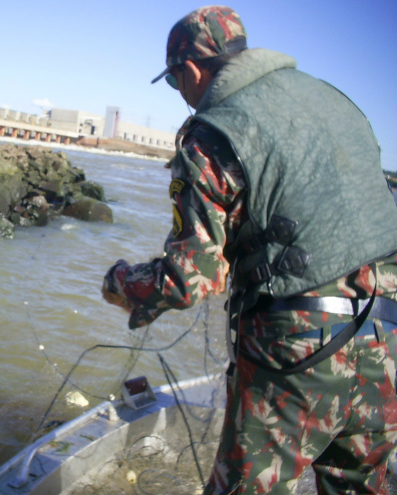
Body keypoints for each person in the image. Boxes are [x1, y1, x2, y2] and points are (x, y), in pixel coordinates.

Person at [101, 5, 397, 494]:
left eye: (176, 84)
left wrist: (123, 285)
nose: (184, 98)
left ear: (192, 68)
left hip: (299, 352)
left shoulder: (213, 133)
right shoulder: (335, 100)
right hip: (386, 331)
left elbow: (190, 278)